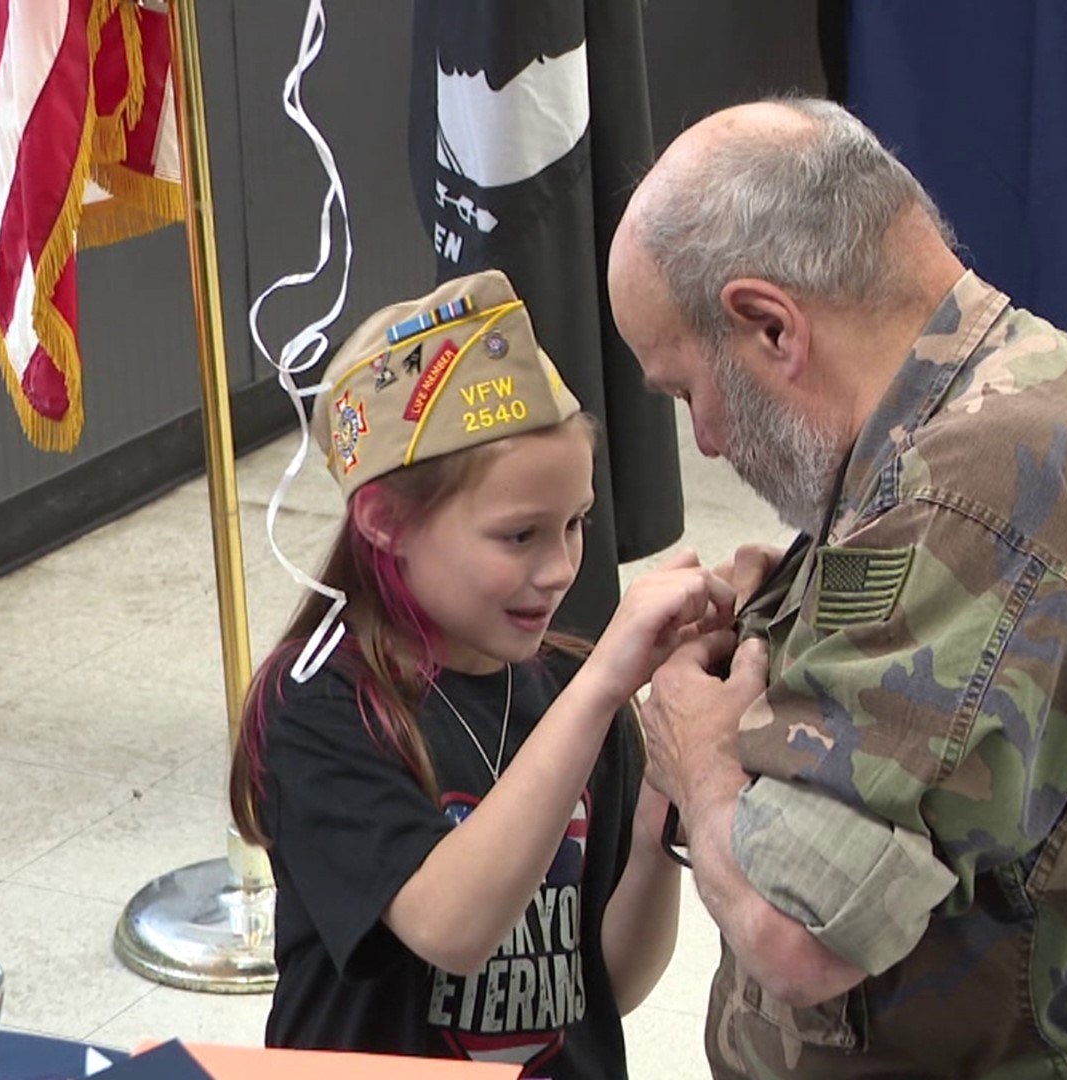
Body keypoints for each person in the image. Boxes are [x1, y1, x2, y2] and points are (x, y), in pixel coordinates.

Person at [606, 98, 1067, 1079]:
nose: (706, 440)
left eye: (688, 391)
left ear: (770, 325)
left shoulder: (970, 504)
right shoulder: (994, 390)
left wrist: (701, 755)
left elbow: (797, 934)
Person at [228, 270, 732, 1078]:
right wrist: (607, 681)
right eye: (520, 536)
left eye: (576, 524)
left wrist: (656, 809)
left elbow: (610, 982)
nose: (561, 568)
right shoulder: (317, 702)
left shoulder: (564, 690)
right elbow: (451, 926)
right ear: (386, 522)